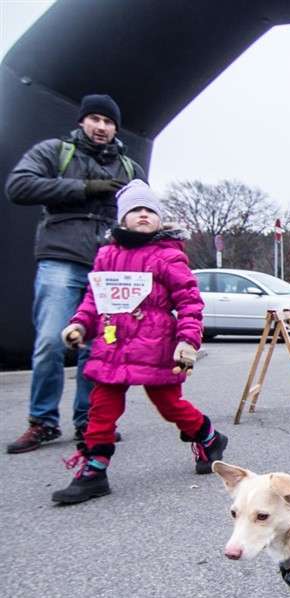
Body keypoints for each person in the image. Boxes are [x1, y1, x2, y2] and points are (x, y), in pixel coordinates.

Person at [52, 180, 227, 504]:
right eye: (136, 210)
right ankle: (95, 468)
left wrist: (187, 342)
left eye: (150, 210)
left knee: (170, 404)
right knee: (101, 409)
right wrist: (79, 324)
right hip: (111, 346)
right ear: (122, 219)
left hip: (155, 346)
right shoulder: (106, 256)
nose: (144, 215)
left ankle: (208, 436)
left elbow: (189, 302)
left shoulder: (167, 256)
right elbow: (94, 300)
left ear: (160, 218)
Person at [5, 94, 145, 454]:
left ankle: (89, 421)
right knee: (51, 341)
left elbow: (143, 212)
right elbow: (18, 186)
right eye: (95, 119)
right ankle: (42, 421)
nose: (101, 127)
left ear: (117, 128)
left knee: (98, 347)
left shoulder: (128, 167)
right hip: (62, 257)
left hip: (109, 266)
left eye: (109, 122)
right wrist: (84, 188)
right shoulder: (55, 151)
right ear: (83, 121)